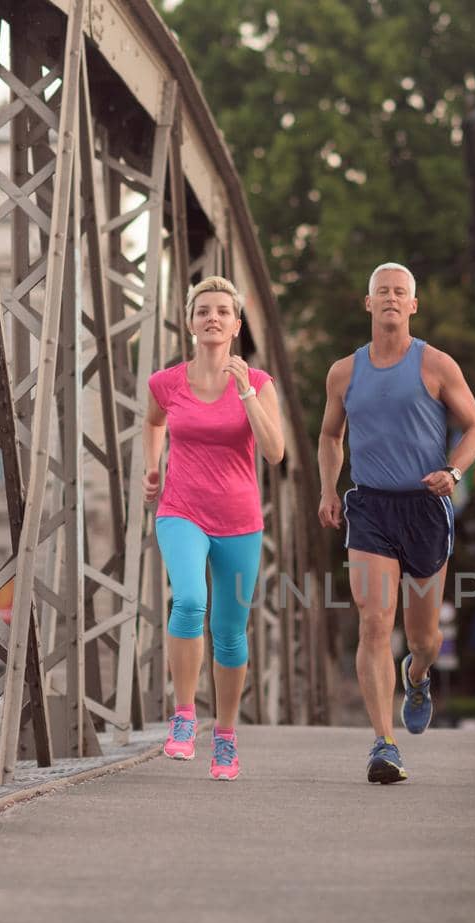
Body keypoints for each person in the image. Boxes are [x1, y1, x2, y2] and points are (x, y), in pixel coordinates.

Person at [317, 262, 475, 784]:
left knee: (424, 638)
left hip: (424, 507)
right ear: (367, 304)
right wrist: (329, 489)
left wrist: (454, 471)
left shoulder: (435, 365)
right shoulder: (344, 372)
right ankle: (384, 745)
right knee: (373, 622)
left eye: (400, 293)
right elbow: (329, 436)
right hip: (369, 507)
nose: (391, 298)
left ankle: (417, 676)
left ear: (413, 305)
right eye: (382, 292)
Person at [143, 276, 286, 778]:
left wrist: (245, 391)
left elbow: (275, 452)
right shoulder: (166, 382)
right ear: (189, 322)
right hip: (181, 511)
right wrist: (153, 466)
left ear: (237, 325)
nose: (212, 318)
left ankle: (225, 735)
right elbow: (154, 421)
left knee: (229, 633)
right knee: (188, 600)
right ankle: (184, 717)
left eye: (223, 311)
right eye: (203, 310)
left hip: (239, 521)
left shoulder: (260, 384)